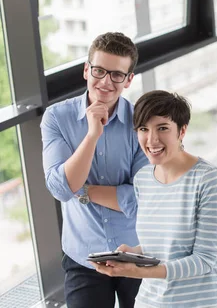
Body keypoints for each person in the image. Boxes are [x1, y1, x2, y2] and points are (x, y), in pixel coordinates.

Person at [92, 90, 217, 308]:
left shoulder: (208, 180)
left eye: (162, 128)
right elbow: (164, 247)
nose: (152, 139)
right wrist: (133, 254)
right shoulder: (143, 179)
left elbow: (204, 260)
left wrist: (138, 271)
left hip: (200, 303)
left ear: (182, 131)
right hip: (151, 301)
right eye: (144, 129)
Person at [41, 32, 148, 308]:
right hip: (84, 256)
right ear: (86, 70)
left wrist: (84, 191)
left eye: (116, 75)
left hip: (136, 251)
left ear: (128, 79)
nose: (106, 82)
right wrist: (91, 136)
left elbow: (145, 197)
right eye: (99, 71)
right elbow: (61, 189)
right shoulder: (57, 118)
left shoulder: (141, 123)